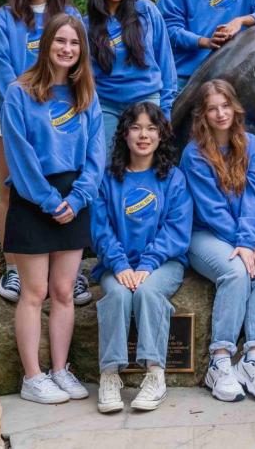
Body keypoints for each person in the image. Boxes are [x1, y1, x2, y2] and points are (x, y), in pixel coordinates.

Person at [0, 13, 105, 404]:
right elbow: (20, 156)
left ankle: (60, 370)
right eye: (60, 41)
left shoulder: (86, 96)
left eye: (74, 43)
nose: (67, 49)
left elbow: (96, 155)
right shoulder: (20, 92)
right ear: (47, 45)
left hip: (73, 197)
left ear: (82, 50)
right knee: (34, 291)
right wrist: (48, 200)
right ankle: (33, 377)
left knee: (63, 291)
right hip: (34, 198)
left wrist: (77, 200)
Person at [0, 0, 89, 306]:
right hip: (13, 115)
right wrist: (26, 107)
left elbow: (80, 62)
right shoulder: (4, 19)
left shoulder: (70, 14)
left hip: (64, 114)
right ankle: (14, 267)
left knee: (71, 185)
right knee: (11, 192)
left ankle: (71, 275)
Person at [182, 79, 255, 403]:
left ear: (235, 107)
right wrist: (244, 246)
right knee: (236, 272)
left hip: (247, 231)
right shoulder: (194, 154)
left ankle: (254, 358)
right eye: (213, 108)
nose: (220, 113)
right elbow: (210, 209)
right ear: (204, 115)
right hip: (206, 233)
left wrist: (248, 242)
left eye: (225, 106)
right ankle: (220, 360)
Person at [91, 103, 192, 414]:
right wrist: (120, 265)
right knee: (119, 295)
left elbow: (175, 230)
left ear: (161, 135)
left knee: (148, 292)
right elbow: (101, 228)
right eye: (136, 127)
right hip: (117, 265)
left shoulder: (173, 179)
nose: (144, 135)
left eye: (151, 128)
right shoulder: (108, 179)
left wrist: (148, 264)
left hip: (162, 264)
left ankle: (155, 374)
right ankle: (110, 376)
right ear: (124, 134)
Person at [85, 0, 176, 145]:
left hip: (146, 101)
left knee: (145, 165)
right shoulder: (85, 25)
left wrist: (165, 110)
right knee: (107, 166)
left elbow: (165, 61)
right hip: (105, 106)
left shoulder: (146, 11)